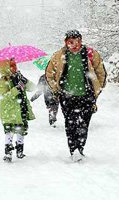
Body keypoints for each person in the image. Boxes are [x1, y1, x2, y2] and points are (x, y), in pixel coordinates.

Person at [45, 30, 107, 162]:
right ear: (66, 42)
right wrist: (57, 89)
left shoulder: (91, 54)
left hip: (87, 95)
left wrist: (96, 89)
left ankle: (80, 148)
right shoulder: (59, 56)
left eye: (77, 41)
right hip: (67, 96)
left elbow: (100, 72)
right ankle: (73, 150)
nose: (74, 44)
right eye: (71, 42)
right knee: (70, 123)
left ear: (81, 41)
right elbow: (49, 74)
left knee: (84, 124)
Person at [0, 58, 36, 162]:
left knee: (20, 130)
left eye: (15, 65)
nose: (14, 68)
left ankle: (20, 151)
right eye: (11, 66)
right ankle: (8, 153)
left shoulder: (18, 78)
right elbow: (4, 96)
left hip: (21, 108)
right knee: (9, 132)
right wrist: (16, 89)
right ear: (5, 68)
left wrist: (25, 81)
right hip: (9, 111)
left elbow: (32, 88)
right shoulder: (2, 82)